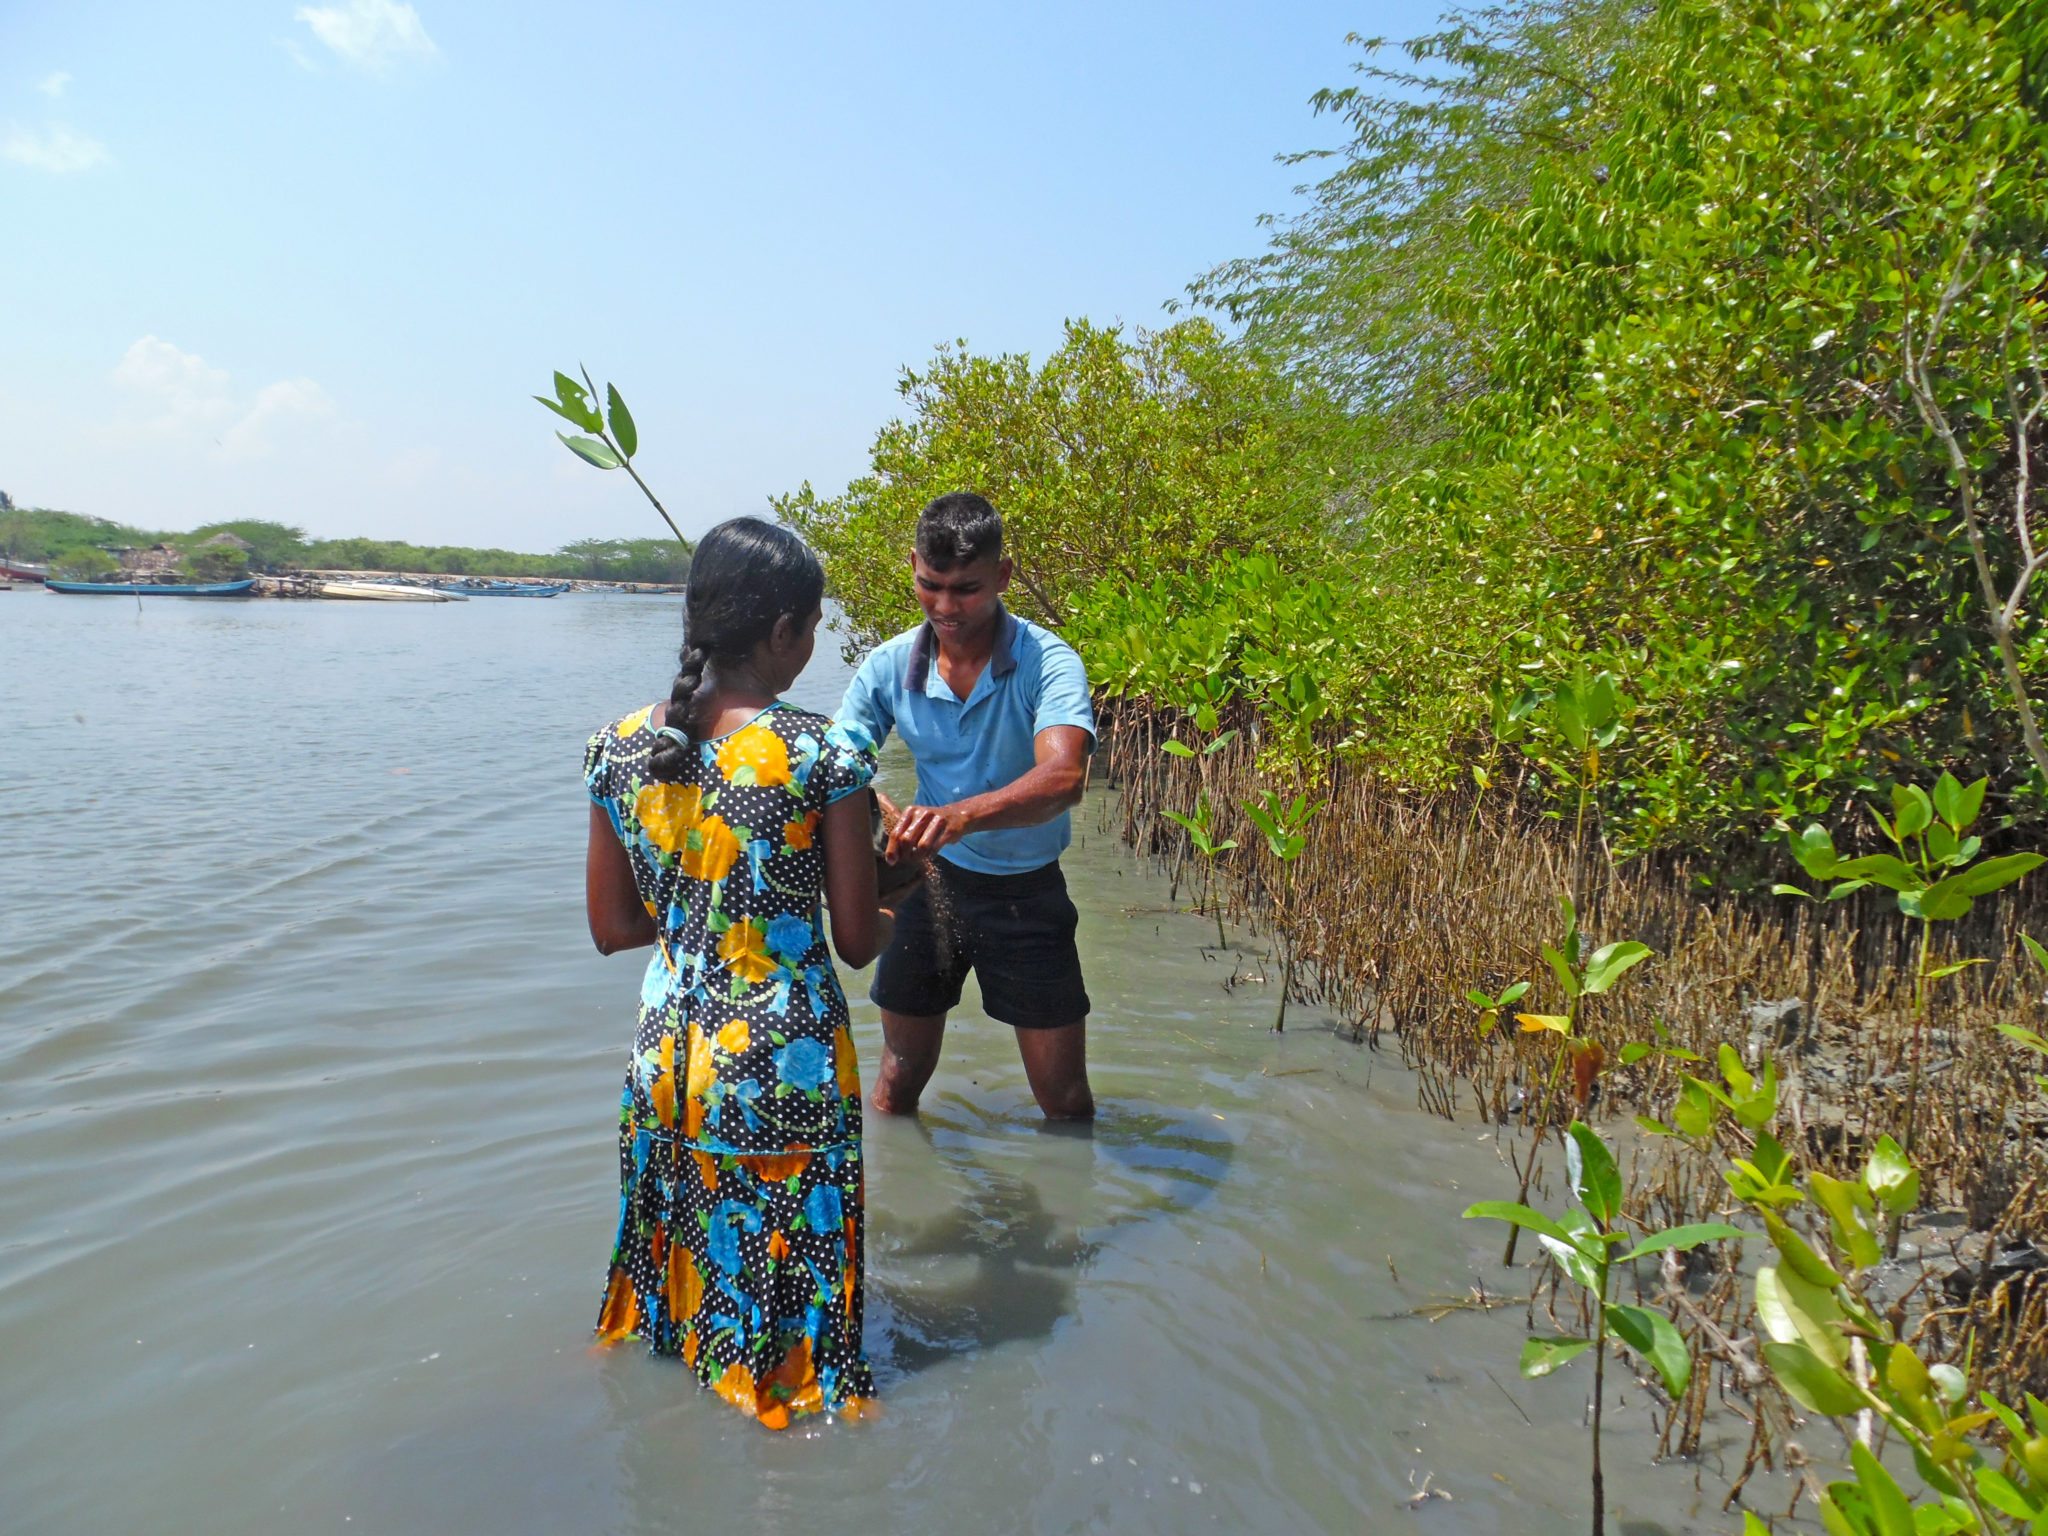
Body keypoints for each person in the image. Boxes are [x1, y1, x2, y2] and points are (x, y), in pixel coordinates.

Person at [581, 515, 896, 1429]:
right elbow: (856, 938)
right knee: (796, 1338)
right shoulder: (822, 750)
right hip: (777, 1062)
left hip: (665, 1061)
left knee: (678, 1292)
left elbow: (612, 929)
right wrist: (908, 881)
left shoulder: (616, 747)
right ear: (786, 634)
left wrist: (699, 908)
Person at [837, 492, 1097, 1121]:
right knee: (895, 1087)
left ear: (1004, 576)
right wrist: (875, 799)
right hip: (926, 885)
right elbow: (830, 763)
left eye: (966, 589)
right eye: (931, 586)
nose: (946, 607)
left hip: (1026, 892)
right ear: (913, 568)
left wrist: (963, 817)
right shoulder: (889, 665)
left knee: (1064, 1101)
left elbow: (1065, 776)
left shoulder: (1048, 661)